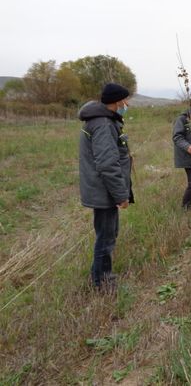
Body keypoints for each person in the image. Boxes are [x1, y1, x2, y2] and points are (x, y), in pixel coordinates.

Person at [78, 83, 133, 292]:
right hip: (103, 190)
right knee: (106, 237)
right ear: (117, 101)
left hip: (102, 189)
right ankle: (102, 283)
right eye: (125, 100)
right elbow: (107, 164)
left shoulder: (103, 121)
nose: (127, 104)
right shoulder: (103, 124)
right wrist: (121, 195)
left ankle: (99, 277)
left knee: (108, 233)